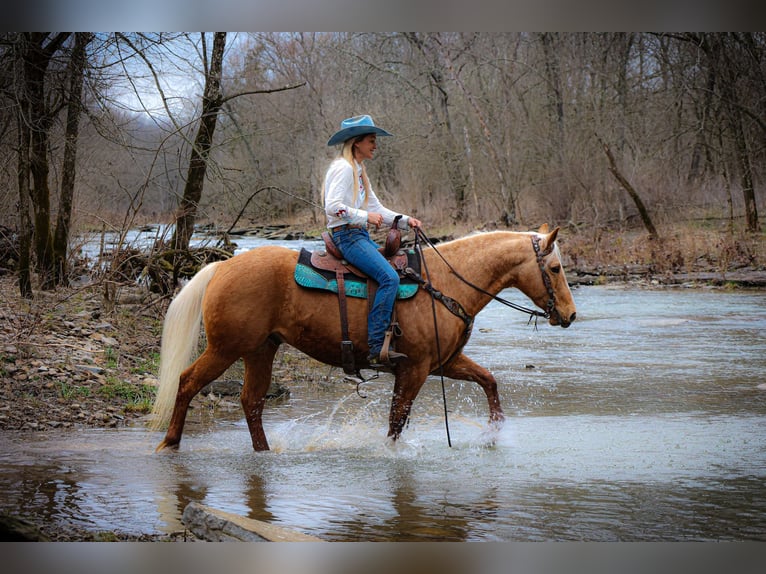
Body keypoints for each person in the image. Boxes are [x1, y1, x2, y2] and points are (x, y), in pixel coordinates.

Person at [324, 115, 422, 368]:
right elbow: (333, 207)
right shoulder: (344, 169)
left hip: (358, 234)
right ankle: (376, 346)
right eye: (371, 140)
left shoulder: (358, 171)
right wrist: (365, 217)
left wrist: (405, 220)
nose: (375, 145)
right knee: (389, 278)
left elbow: (377, 207)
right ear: (356, 142)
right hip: (347, 235)